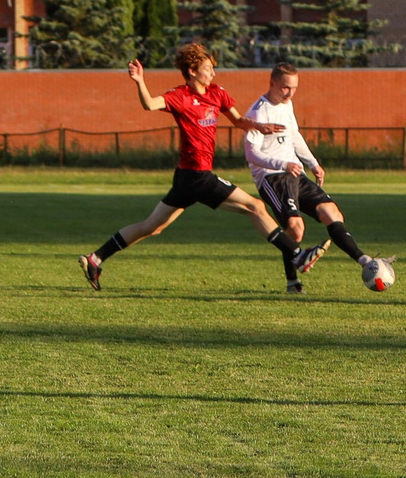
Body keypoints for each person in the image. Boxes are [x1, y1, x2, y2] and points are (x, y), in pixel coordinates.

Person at [82, 43, 303, 293]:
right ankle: (296, 253)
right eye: (208, 68)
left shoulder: (217, 93)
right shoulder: (180, 96)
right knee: (256, 207)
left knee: (152, 227)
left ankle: (96, 258)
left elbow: (239, 120)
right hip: (197, 176)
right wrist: (140, 81)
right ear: (192, 71)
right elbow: (150, 104)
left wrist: (258, 126)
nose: (213, 73)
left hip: (187, 178)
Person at [244, 62, 387, 289]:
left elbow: (294, 135)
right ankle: (293, 282)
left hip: (295, 172)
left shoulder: (286, 104)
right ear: (272, 83)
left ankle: (365, 261)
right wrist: (282, 164)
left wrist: (313, 163)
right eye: (285, 88)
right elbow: (251, 154)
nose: (290, 93)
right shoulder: (258, 112)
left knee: (332, 212)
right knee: (296, 228)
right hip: (272, 177)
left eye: (294, 88)